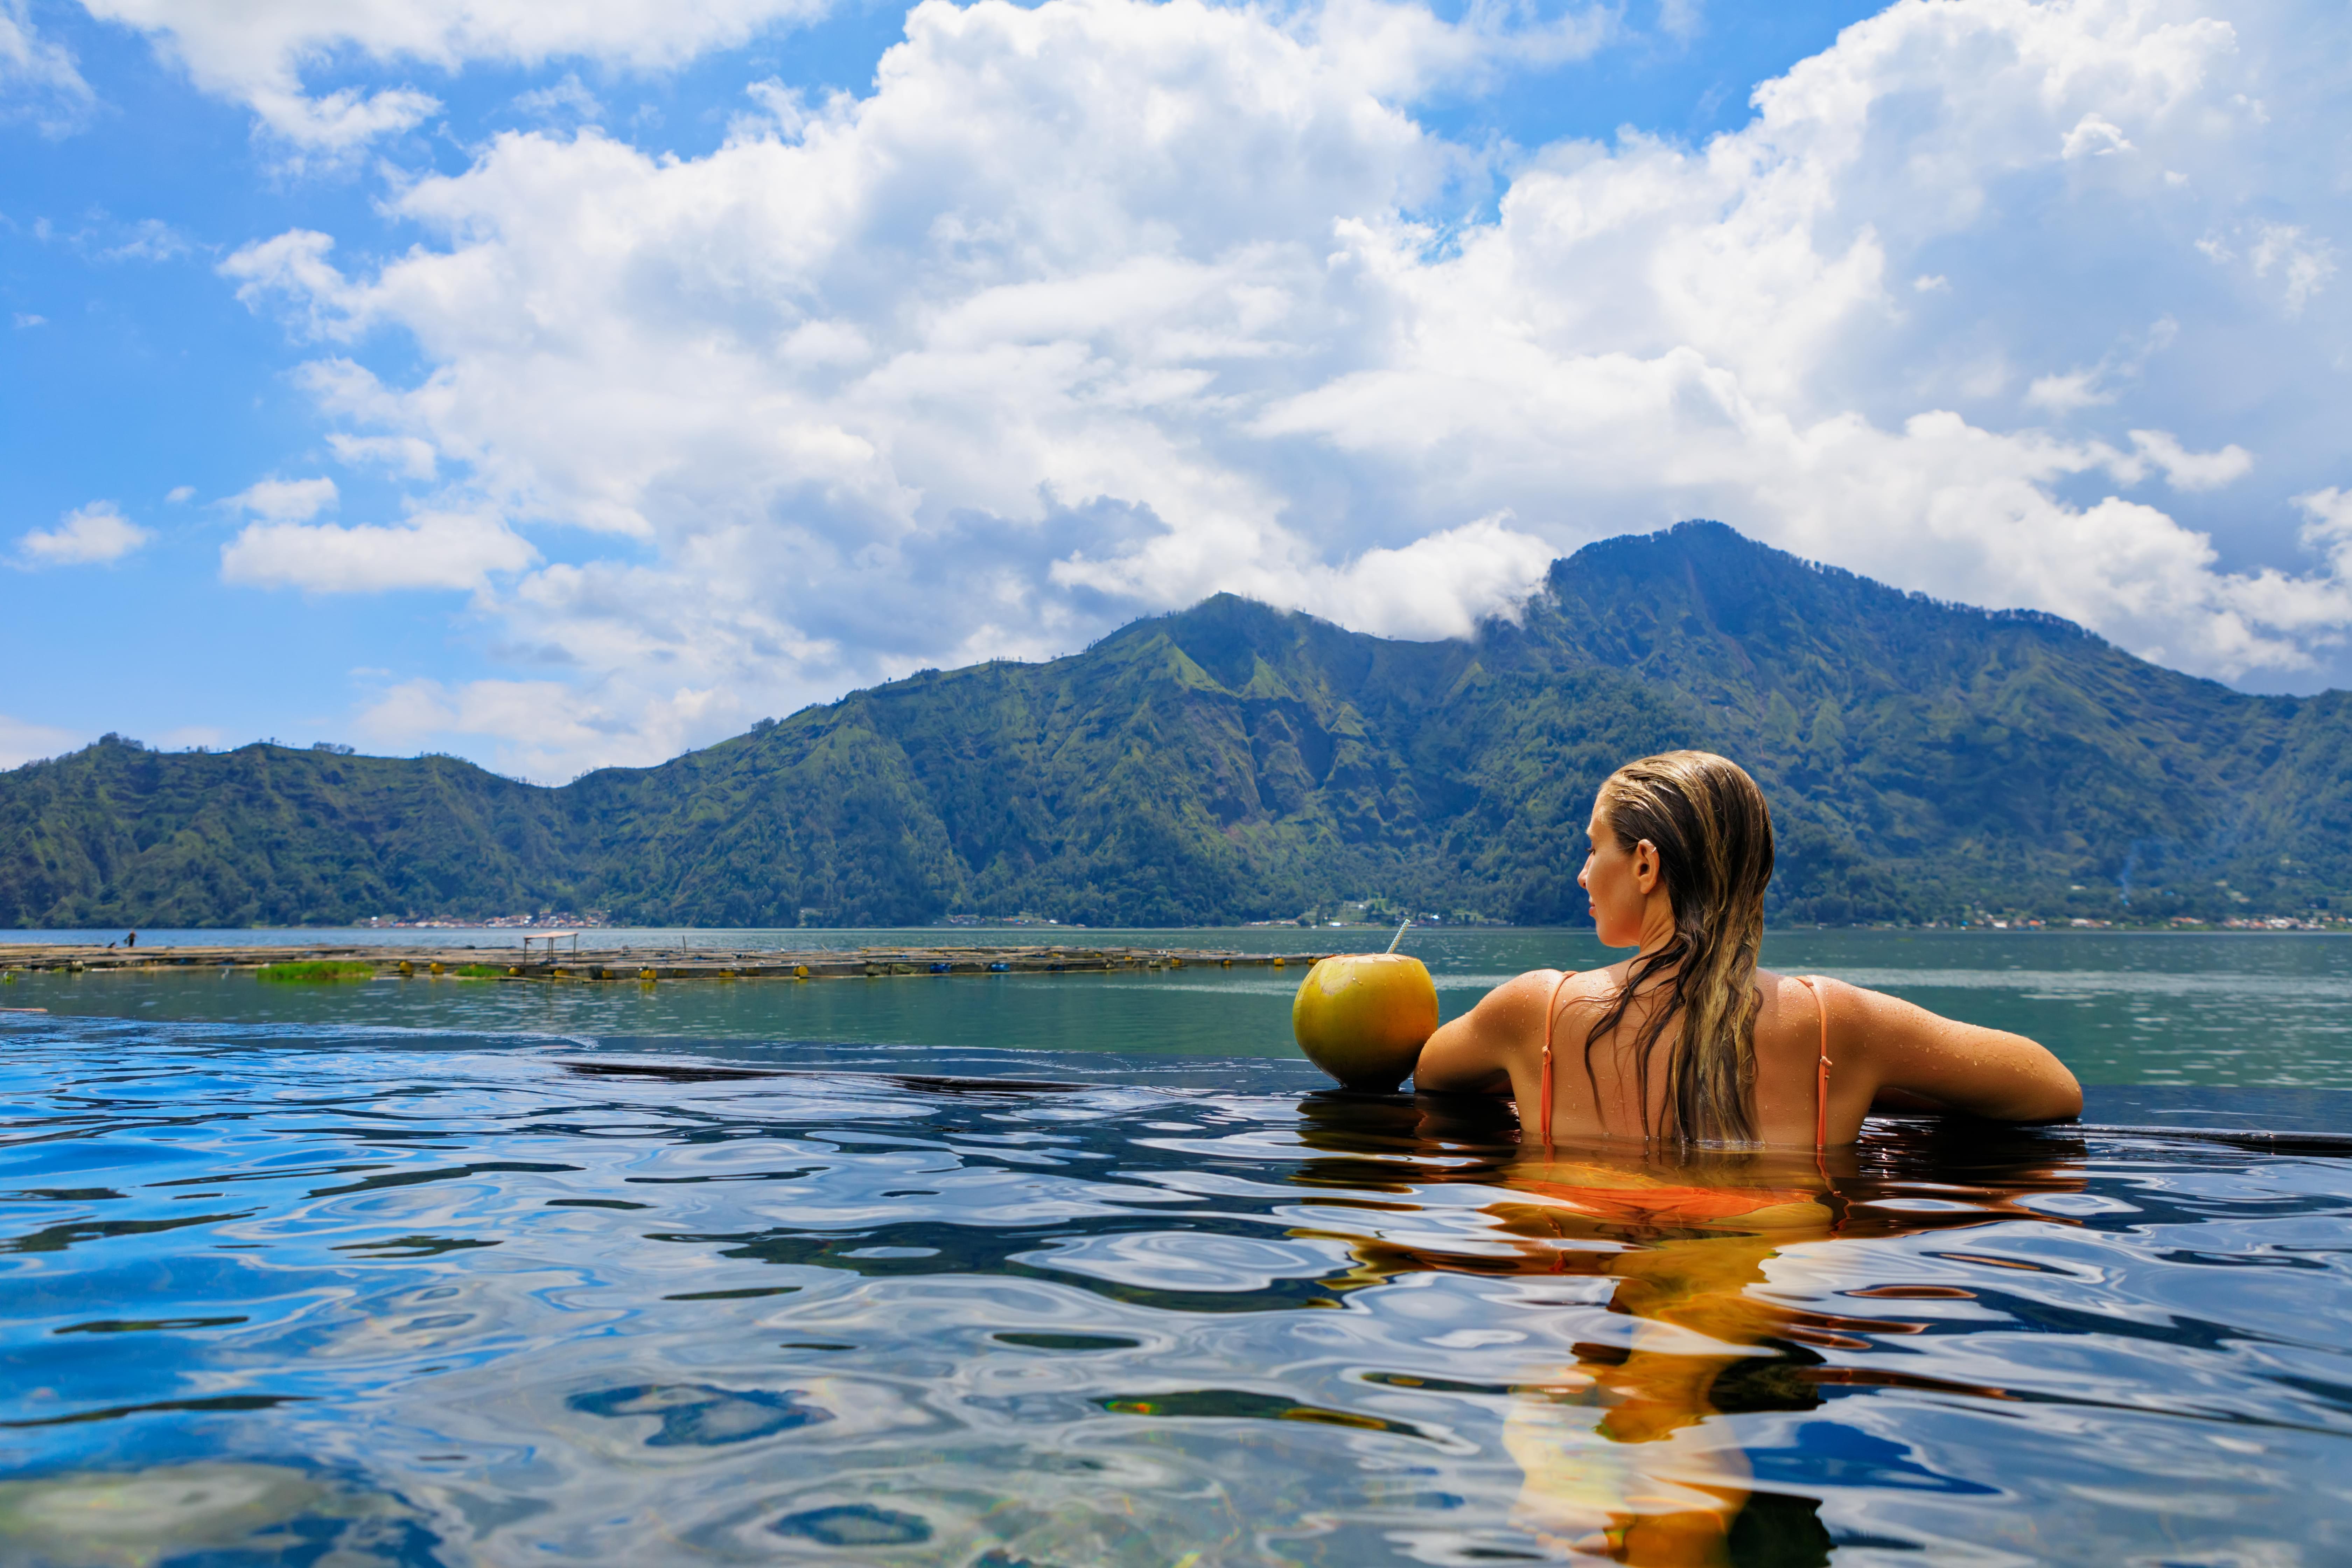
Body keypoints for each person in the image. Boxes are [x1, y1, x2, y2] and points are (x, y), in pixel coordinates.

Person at [1413, 750, 2080, 1148]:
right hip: (1754, 1279)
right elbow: (2051, 1089)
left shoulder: (1537, 1012)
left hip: (1585, 1263)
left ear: (1646, 866)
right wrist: (1872, 1081)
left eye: (1593, 848)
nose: (1583, 874)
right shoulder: (1833, 1027)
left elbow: (1434, 1075)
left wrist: (1527, 1074)